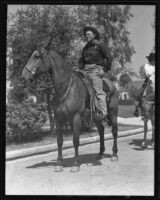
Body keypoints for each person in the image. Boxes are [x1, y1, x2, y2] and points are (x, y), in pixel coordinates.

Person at [78, 26, 113, 119]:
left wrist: (104, 69)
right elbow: (81, 61)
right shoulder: (85, 48)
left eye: (88, 34)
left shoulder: (100, 45)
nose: (86, 36)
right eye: (85, 35)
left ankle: (103, 113)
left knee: (98, 91)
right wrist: (79, 69)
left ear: (94, 35)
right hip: (85, 70)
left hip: (95, 70)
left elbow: (109, 57)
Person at [134, 52, 155, 116]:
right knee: (138, 95)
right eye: (151, 60)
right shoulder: (147, 66)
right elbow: (147, 74)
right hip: (148, 81)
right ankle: (137, 110)